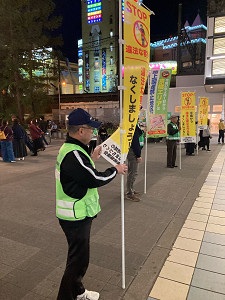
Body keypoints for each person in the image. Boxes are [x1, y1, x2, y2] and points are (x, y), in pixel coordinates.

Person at [56, 108, 127, 300]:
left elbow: (81, 172)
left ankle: (78, 292)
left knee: (78, 258)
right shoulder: (74, 154)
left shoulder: (74, 150)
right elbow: (94, 178)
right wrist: (115, 169)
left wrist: (92, 158)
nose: (93, 133)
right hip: (75, 216)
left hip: (75, 213)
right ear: (81, 131)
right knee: (77, 262)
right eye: (91, 129)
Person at [126, 124, 143, 202]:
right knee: (133, 172)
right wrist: (138, 155)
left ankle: (131, 189)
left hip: (131, 150)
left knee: (132, 172)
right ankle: (130, 193)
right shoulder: (132, 124)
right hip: (133, 151)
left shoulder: (133, 124)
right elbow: (135, 141)